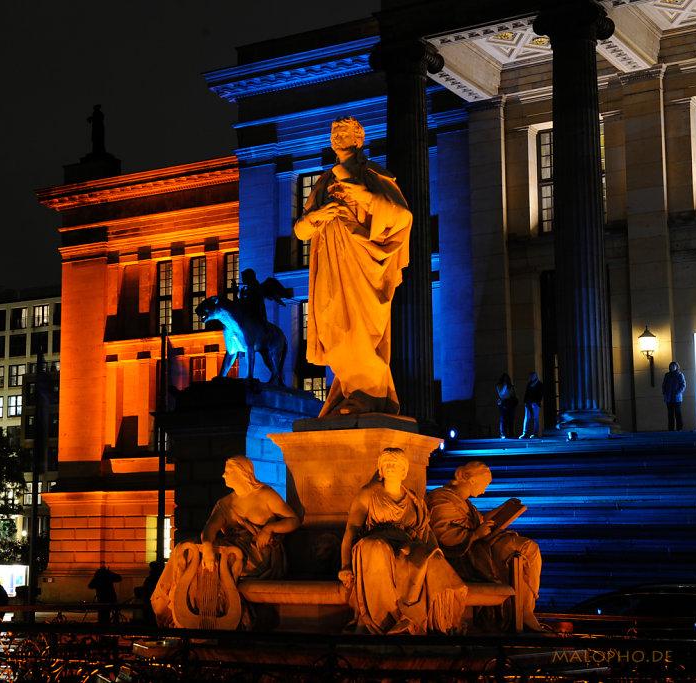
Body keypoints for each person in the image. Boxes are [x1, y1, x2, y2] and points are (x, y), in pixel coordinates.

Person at [293, 117, 413, 417]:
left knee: (359, 331)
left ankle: (368, 394)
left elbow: (401, 216)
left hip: (362, 263)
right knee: (334, 331)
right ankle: (350, 389)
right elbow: (301, 231)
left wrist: (361, 195)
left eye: (343, 132)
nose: (336, 137)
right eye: (333, 132)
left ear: (359, 139)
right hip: (330, 266)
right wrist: (317, 216)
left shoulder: (372, 174)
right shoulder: (323, 182)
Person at [151, 455, 301, 628]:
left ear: (242, 472)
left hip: (258, 551)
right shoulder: (226, 503)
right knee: (186, 548)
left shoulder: (266, 494)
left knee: (220, 555)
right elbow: (209, 529)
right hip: (233, 547)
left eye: (228, 471)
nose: (224, 475)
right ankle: (177, 605)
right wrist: (207, 544)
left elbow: (294, 520)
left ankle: (213, 614)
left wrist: (269, 529)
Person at [339, 448, 467, 635]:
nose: (391, 467)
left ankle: (429, 622)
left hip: (407, 546)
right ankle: (381, 623)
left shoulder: (414, 499)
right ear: (381, 470)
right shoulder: (368, 494)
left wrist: (436, 554)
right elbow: (351, 530)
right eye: (387, 464)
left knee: (431, 562)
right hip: (375, 542)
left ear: (404, 471)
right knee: (375, 548)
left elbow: (426, 531)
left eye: (396, 464)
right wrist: (345, 565)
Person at [426, 462, 543, 632]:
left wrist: (505, 508)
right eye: (485, 484)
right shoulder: (441, 498)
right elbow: (445, 536)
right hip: (464, 555)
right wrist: (475, 535)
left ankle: (525, 610)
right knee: (526, 548)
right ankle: (523, 612)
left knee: (526, 549)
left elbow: (480, 521)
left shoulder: (464, 502)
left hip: (477, 548)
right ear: (472, 480)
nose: (484, 491)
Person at [662, 361, 687, 431]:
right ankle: (671, 429)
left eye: (674, 366)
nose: (672, 367)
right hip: (668, 398)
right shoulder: (667, 375)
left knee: (677, 413)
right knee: (670, 414)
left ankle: (679, 428)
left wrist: (678, 391)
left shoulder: (679, 375)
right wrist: (664, 392)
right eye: (671, 366)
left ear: (676, 367)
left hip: (676, 398)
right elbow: (664, 384)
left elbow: (683, 385)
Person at [519, 372, 543, 439]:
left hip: (535, 404)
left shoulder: (539, 384)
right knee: (527, 418)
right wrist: (526, 402)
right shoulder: (530, 384)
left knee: (534, 418)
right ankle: (525, 433)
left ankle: (535, 433)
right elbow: (526, 394)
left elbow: (540, 395)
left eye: (532, 376)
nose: (530, 377)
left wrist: (535, 402)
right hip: (529, 403)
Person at [495, 373, 517, 439]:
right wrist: (505, 386)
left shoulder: (511, 386)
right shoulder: (499, 386)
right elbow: (501, 394)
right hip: (503, 403)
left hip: (510, 403)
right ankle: (503, 433)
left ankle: (511, 433)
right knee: (503, 419)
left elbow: (514, 394)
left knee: (511, 419)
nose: (506, 380)